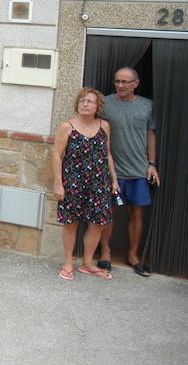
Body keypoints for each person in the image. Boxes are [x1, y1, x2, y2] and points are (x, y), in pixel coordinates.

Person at [99, 67, 159, 277]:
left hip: (138, 169)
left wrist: (152, 163)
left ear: (136, 83)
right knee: (108, 213)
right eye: (117, 81)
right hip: (112, 170)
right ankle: (105, 252)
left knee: (137, 213)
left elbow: (151, 135)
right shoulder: (105, 104)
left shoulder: (147, 106)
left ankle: (133, 255)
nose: (120, 85)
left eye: (125, 81)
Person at [53, 88, 119, 281]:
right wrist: (58, 183)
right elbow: (57, 155)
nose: (85, 104)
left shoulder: (104, 126)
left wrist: (114, 179)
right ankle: (68, 262)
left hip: (99, 182)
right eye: (82, 101)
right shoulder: (67, 126)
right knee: (71, 223)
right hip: (72, 181)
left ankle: (88, 263)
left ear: (97, 106)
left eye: (90, 101)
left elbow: (107, 154)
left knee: (98, 224)